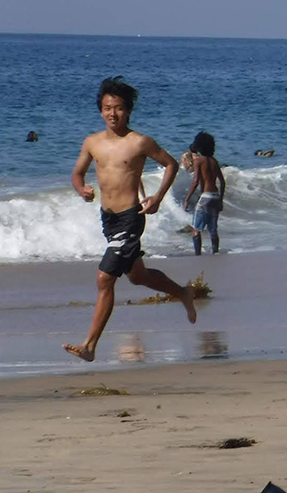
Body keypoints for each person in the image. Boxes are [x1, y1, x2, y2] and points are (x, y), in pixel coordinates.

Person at [64, 76, 196, 363]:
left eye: (120, 108)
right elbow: (76, 173)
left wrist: (158, 197)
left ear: (129, 110)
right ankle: (183, 293)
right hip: (108, 219)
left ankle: (90, 345)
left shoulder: (139, 142)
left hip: (131, 218)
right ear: (101, 110)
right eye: (108, 108)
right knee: (137, 276)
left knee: (104, 279)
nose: (113, 113)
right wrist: (81, 189)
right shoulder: (92, 143)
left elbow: (171, 164)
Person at [184, 131, 226, 255]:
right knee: (213, 229)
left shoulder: (199, 161)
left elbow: (195, 181)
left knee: (196, 229)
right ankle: (215, 252)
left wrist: (187, 198)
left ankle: (198, 255)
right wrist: (221, 200)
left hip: (205, 197)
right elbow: (222, 182)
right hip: (215, 196)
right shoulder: (214, 161)